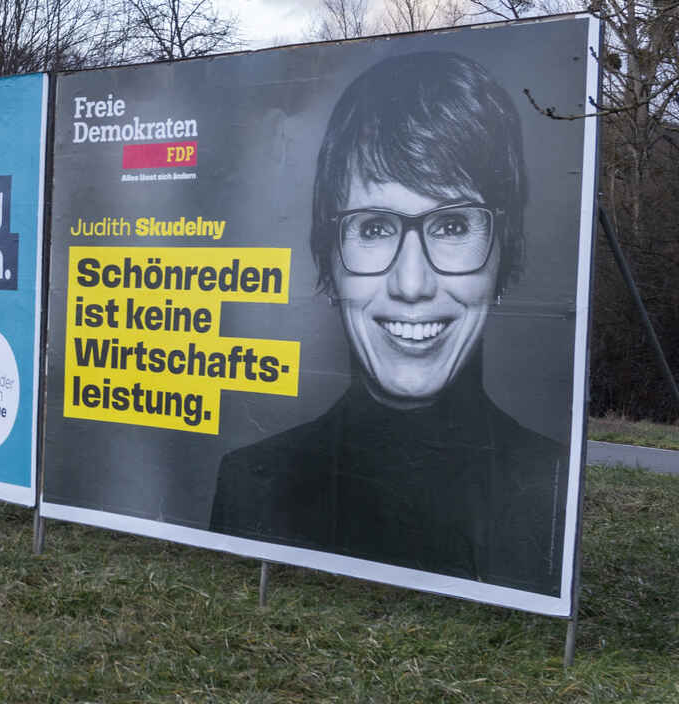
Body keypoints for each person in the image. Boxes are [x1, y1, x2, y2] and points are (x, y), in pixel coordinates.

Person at [210, 50, 568, 595]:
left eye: (451, 226)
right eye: (374, 228)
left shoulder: (552, 489)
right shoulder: (252, 483)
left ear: (506, 255)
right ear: (329, 262)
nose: (411, 283)